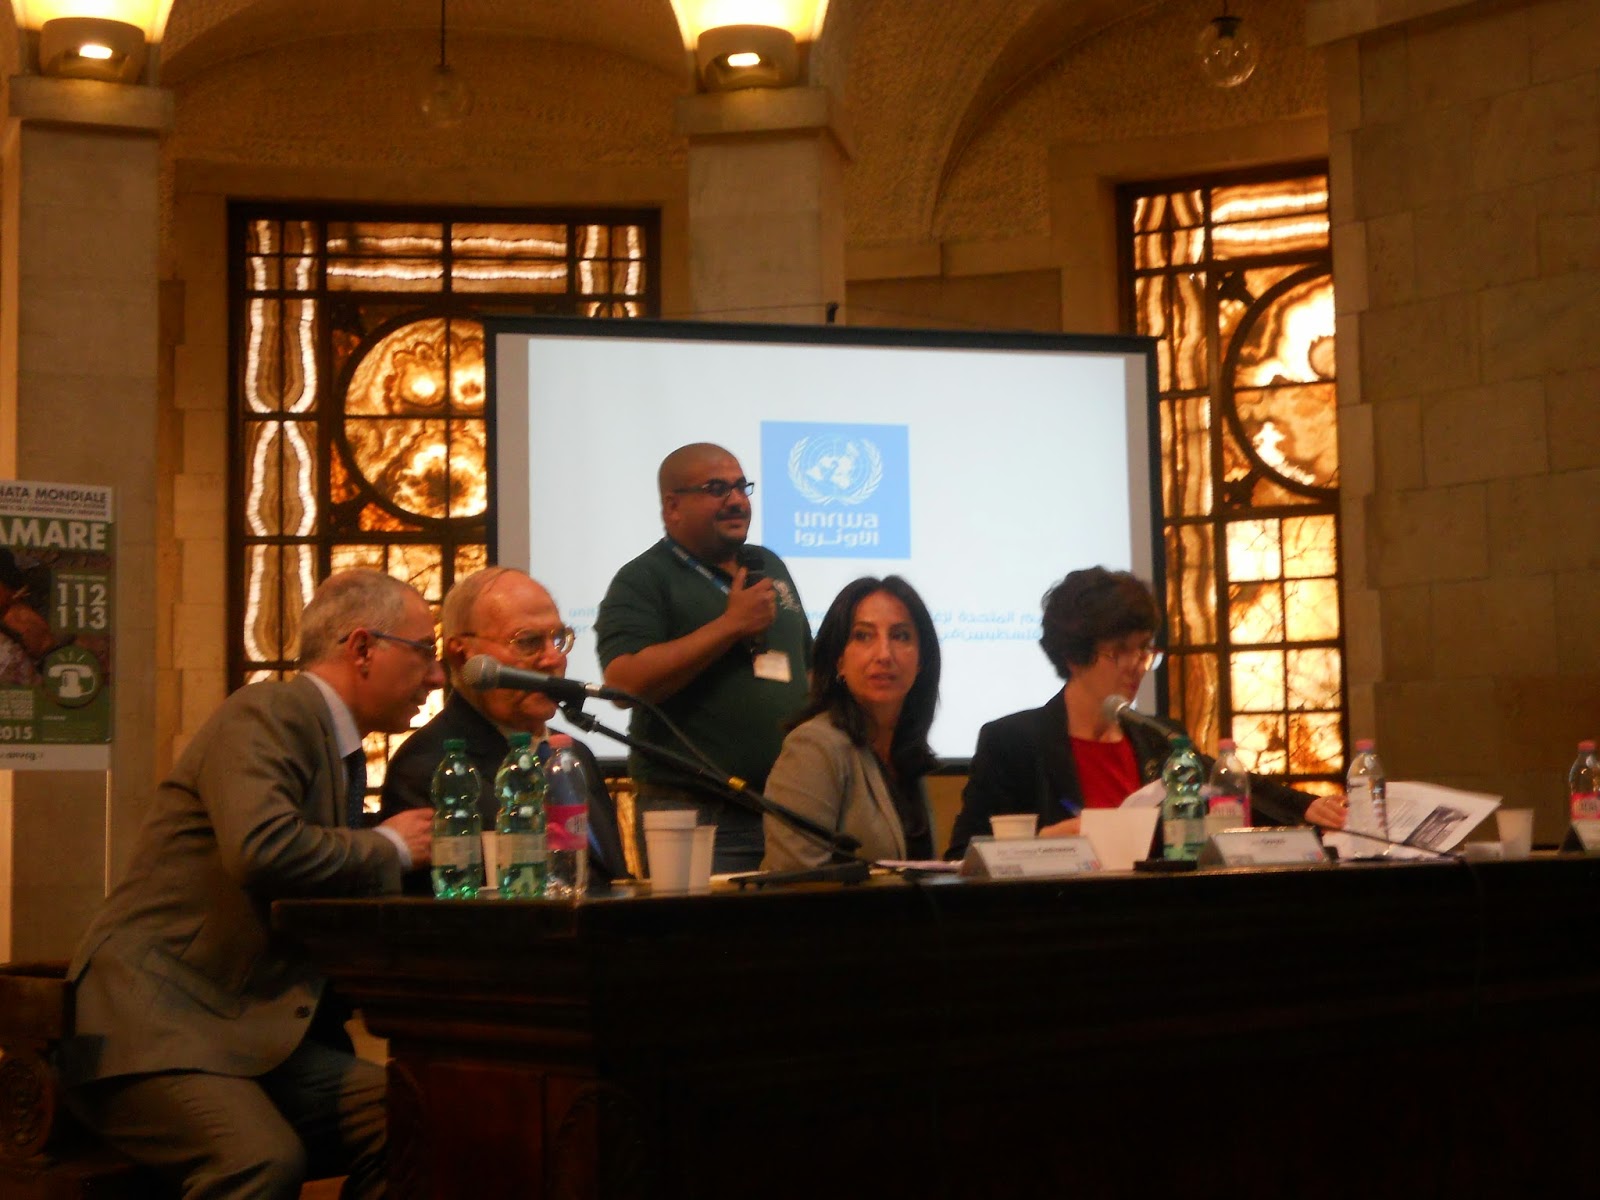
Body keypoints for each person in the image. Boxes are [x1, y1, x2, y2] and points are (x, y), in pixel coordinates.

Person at [58, 569, 443, 1199]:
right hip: (154, 1029)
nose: (436, 676)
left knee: (412, 1116)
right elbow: (262, 849)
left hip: (239, 1029)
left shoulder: (335, 743)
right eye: (424, 651)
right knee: (259, 1161)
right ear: (362, 648)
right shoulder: (269, 711)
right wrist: (392, 846)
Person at [946, 566, 1346, 859]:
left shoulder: (1158, 737)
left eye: (1143, 649)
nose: (1136, 665)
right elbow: (960, 857)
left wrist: (1305, 807)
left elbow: (1227, 784)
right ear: (1074, 655)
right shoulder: (1013, 742)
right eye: (1119, 651)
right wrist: (1045, 841)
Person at [596, 442, 811, 872]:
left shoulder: (768, 565)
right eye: (716, 489)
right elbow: (622, 683)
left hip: (786, 809)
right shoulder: (644, 579)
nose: (736, 500)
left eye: (741, 487)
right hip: (696, 814)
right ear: (672, 507)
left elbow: (808, 665)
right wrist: (731, 625)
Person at [379, 566, 626, 884]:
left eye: (559, 639)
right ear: (462, 655)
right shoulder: (429, 767)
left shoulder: (574, 755)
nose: (553, 659)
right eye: (528, 642)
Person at [761, 576, 940, 872]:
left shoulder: (904, 753)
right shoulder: (813, 747)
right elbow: (794, 879)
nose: (884, 655)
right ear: (839, 660)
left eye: (901, 636)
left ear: (921, 660)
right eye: (863, 636)